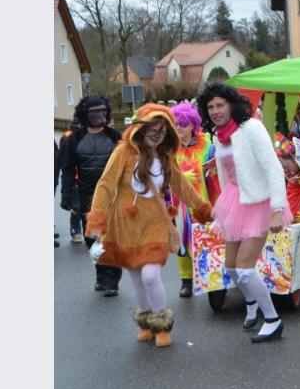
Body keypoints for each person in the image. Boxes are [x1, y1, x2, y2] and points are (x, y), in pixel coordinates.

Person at [85, 104, 213, 347]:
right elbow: (105, 184)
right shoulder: (124, 152)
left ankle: (161, 324)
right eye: (153, 128)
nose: (157, 134)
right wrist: (97, 217)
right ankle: (146, 322)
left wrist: (202, 208)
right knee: (135, 276)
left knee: (150, 275)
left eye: (163, 129)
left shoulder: (165, 157)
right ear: (140, 129)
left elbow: (182, 187)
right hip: (126, 223)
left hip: (155, 221)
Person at [197, 83, 292, 343]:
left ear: (231, 105)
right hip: (235, 201)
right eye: (211, 107)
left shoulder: (252, 128)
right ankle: (251, 303)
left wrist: (277, 209)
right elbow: (226, 174)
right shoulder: (218, 135)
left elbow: (274, 168)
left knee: (246, 269)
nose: (216, 111)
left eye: (220, 105)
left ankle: (273, 320)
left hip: (260, 203)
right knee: (231, 268)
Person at [59, 97, 124, 296]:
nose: (99, 115)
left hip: (113, 195)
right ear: (85, 115)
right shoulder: (74, 139)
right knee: (91, 238)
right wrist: (66, 196)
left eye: (103, 111)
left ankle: (111, 281)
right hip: (85, 194)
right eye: (94, 112)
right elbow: (68, 169)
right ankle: (101, 272)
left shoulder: (115, 137)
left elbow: (128, 166)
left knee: (111, 238)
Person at [170, 102, 216, 298]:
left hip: (204, 202)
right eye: (176, 124)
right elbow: (161, 175)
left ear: (193, 125)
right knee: (182, 242)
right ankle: (186, 280)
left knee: (208, 241)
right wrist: (178, 179)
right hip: (179, 204)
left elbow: (217, 172)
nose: (179, 127)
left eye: (183, 123)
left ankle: (211, 279)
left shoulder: (208, 145)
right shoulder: (169, 148)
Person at [59, 122, 85, 244]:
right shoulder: (68, 138)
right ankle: (76, 232)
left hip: (84, 177)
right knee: (76, 207)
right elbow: (64, 159)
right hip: (75, 177)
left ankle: (86, 231)